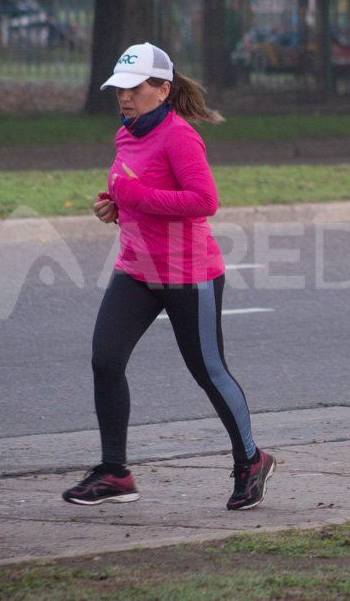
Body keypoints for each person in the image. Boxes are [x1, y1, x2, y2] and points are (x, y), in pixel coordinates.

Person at [62, 42, 275, 511]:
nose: (124, 97)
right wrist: (116, 204)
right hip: (136, 269)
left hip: (188, 274)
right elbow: (137, 190)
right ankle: (115, 473)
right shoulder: (127, 133)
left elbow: (204, 201)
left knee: (208, 371)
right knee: (105, 359)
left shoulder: (181, 137)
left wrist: (136, 195)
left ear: (162, 88)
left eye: (134, 88)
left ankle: (250, 461)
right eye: (119, 88)